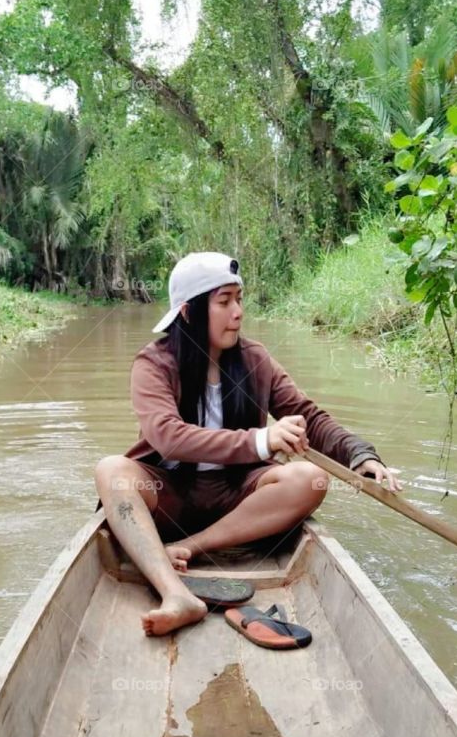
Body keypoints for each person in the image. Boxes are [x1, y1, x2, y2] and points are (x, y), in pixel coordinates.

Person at [94, 251, 401, 638]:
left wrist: (360, 455)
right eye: (223, 302)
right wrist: (261, 440)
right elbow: (167, 438)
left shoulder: (255, 360)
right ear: (189, 313)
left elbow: (310, 416)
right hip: (169, 496)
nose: (237, 312)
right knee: (111, 471)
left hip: (236, 499)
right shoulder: (154, 365)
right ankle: (176, 594)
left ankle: (191, 547)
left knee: (309, 477)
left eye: (239, 300)